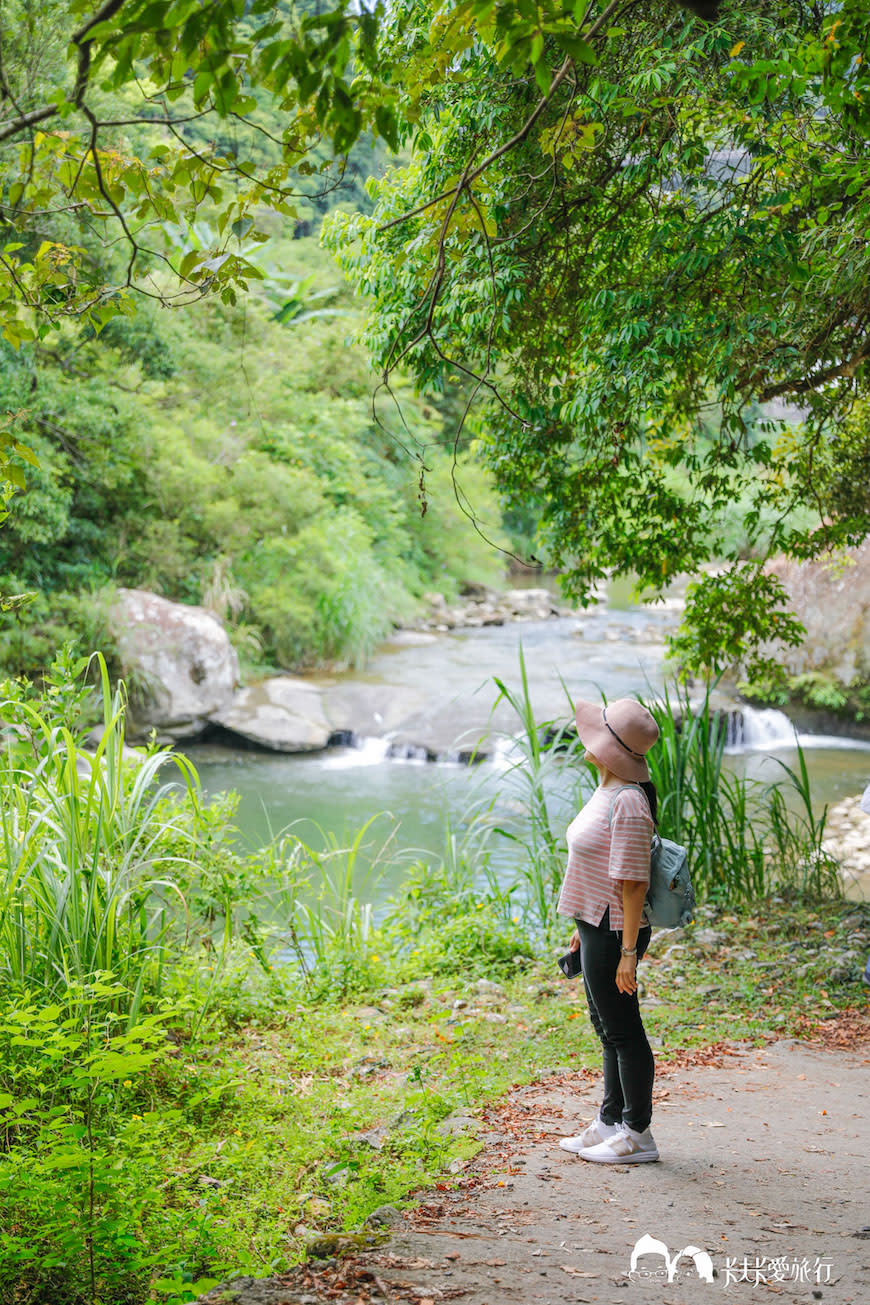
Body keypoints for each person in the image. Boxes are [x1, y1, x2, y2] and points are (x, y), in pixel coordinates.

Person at [557, 696, 661, 1164]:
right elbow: (596, 866)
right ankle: (609, 1121)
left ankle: (638, 1134)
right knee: (606, 1028)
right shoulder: (608, 788)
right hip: (595, 924)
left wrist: (627, 953)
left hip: (618, 929)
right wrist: (582, 925)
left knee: (623, 1031)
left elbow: (634, 883)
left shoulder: (630, 802)